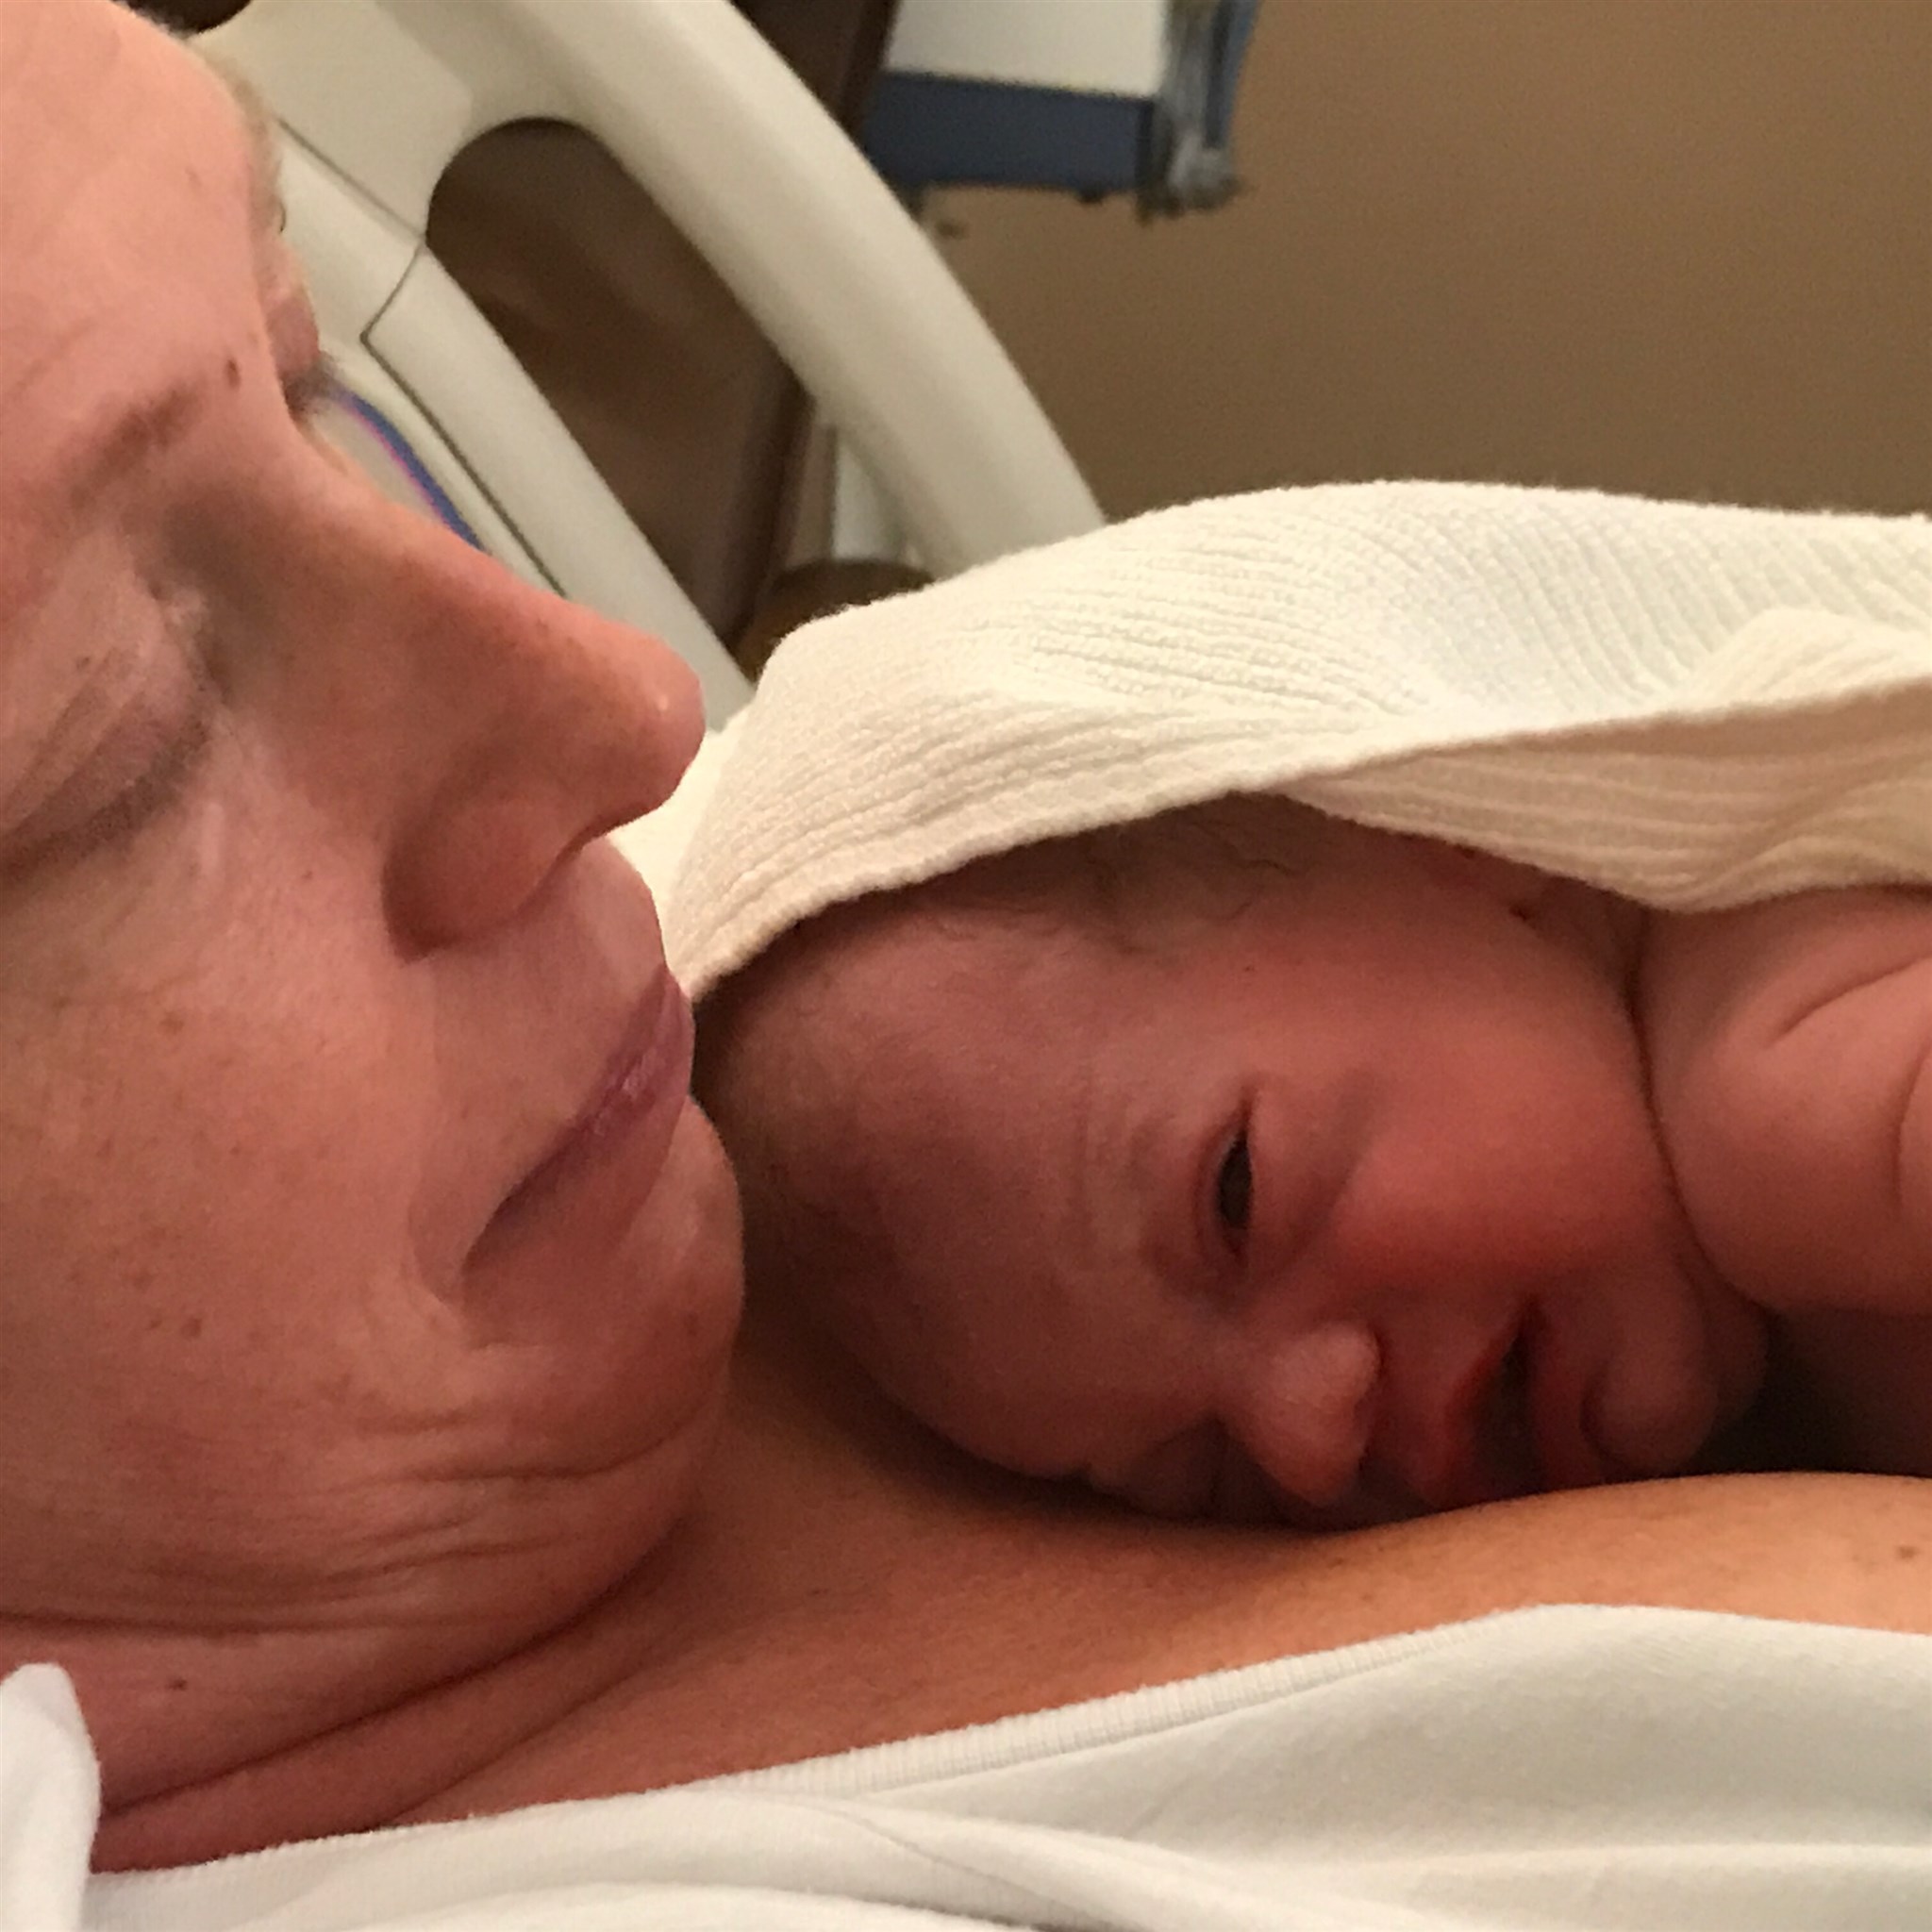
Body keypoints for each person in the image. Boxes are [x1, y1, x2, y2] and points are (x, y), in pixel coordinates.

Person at [2, 5, 1928, 1925]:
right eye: (115, 733)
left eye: (307, 390)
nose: (631, 708)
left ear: (1468, 841)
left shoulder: (884, 915)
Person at [696, 792, 1929, 1527]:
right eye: (1197, 1474)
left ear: (1455, 836)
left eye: (1236, 1198)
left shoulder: (1804, 1091)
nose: (1306, 1433)